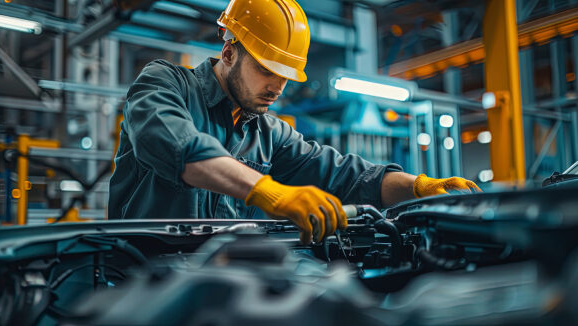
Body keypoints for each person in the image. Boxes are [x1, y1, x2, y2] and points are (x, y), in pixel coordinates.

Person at [108, 0, 480, 244]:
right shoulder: (165, 82)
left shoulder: (269, 133)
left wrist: (419, 186)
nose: (278, 87)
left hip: (218, 283)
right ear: (229, 51)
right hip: (139, 278)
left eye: (287, 76)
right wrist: (271, 192)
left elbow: (347, 176)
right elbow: (180, 147)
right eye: (268, 70)